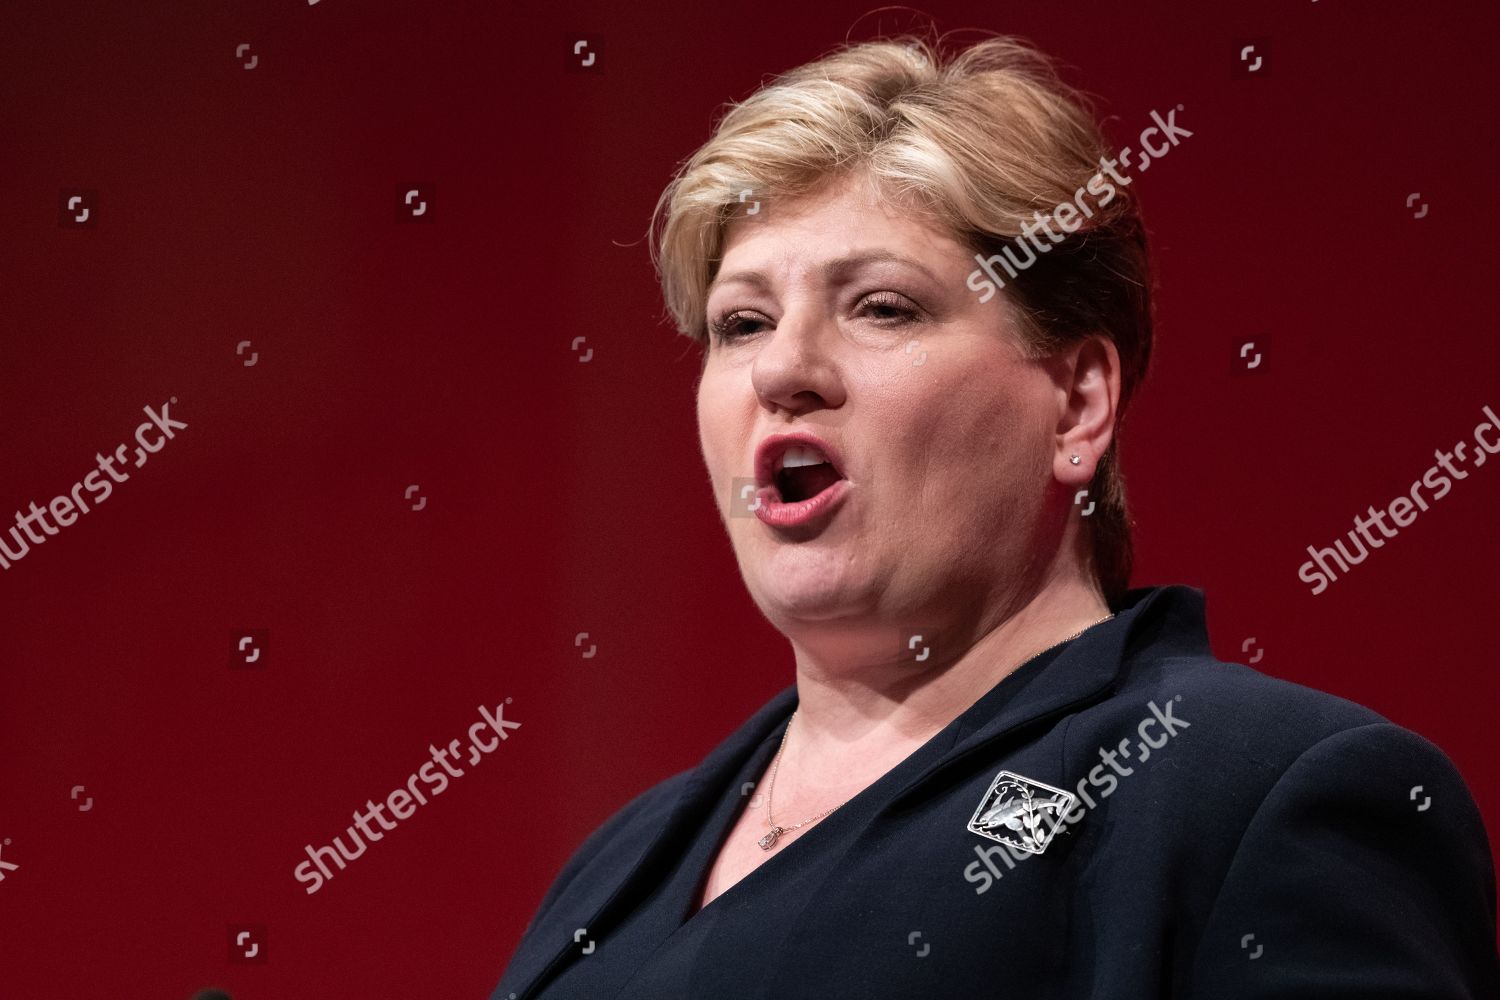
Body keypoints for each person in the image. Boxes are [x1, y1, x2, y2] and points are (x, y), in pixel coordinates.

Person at [490, 32, 1499, 999]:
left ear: (1077, 403)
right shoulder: (617, 865)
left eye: (883, 306)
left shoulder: (1253, 795)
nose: (783, 370)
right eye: (741, 323)